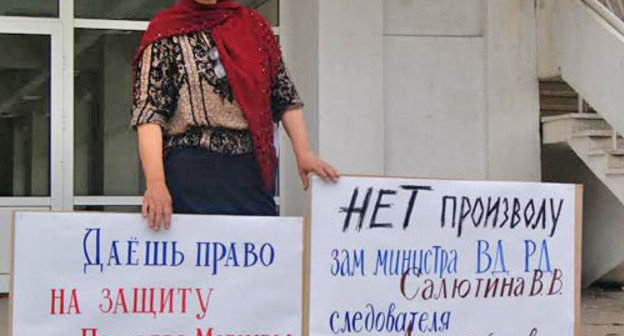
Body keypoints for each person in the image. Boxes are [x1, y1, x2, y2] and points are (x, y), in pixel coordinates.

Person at [130, 0, 338, 230]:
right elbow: (149, 114)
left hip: (249, 172)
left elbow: (283, 94)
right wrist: (156, 182)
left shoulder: (254, 27)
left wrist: (304, 152)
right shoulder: (165, 31)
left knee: (256, 253)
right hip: (190, 173)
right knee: (196, 258)